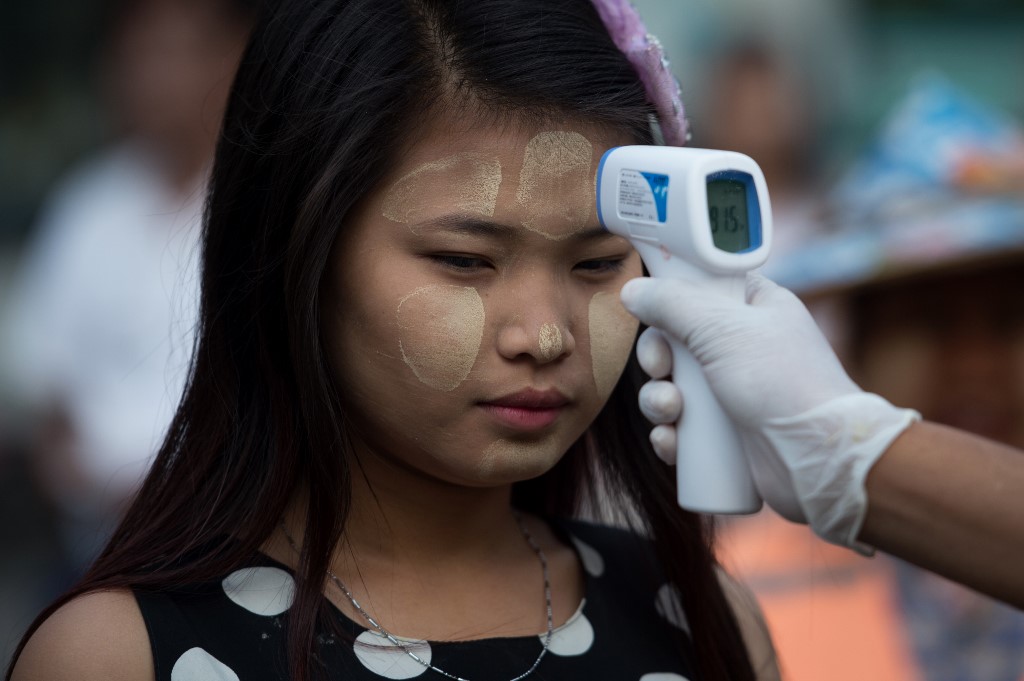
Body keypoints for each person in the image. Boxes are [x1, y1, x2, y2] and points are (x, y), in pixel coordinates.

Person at [8, 2, 780, 681]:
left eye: (597, 264)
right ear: (298, 253)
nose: (546, 333)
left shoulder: (705, 622)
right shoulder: (114, 656)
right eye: (464, 261)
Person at [620, 272, 1024, 611]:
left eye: (1012, 319)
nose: (976, 366)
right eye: (929, 320)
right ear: (850, 345)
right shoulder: (732, 580)